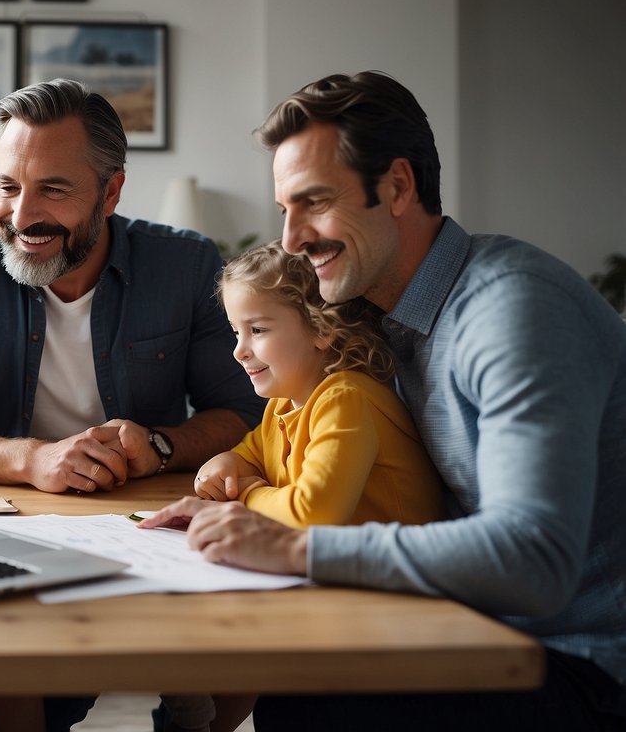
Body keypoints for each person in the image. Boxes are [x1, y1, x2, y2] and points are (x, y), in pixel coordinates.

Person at [140, 71, 626, 730]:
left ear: (397, 186)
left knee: (308, 703)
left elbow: (532, 560)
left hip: (579, 660)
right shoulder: (378, 314)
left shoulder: (513, 311)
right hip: (473, 625)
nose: (290, 240)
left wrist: (291, 548)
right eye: (285, 209)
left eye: (312, 202)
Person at [0, 79, 264, 498]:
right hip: (9, 509)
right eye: (8, 187)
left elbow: (244, 411)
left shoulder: (188, 265)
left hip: (142, 511)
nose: (23, 217)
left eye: (53, 189)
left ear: (110, 193)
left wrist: (160, 446)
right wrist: (33, 459)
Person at [158, 240, 445, 732]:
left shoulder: (345, 399)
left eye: (258, 329)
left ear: (321, 330)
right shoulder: (284, 404)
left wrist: (244, 494)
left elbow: (315, 514)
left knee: (243, 623)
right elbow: (248, 456)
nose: (239, 349)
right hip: (332, 577)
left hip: (394, 594)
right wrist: (223, 462)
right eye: (235, 331)